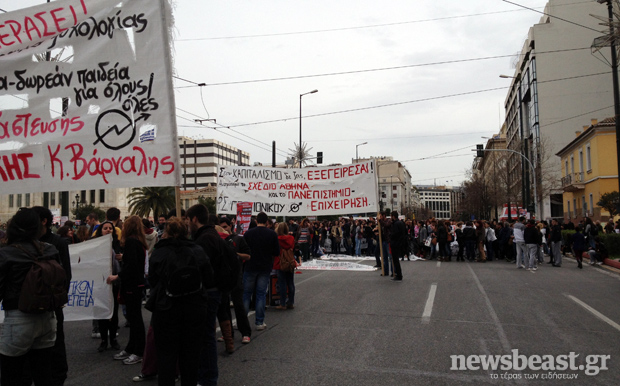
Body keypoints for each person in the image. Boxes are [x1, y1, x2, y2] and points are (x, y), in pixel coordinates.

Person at [147, 217, 214, 386]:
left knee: (166, 358)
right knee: (191, 358)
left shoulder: (160, 252)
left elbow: (153, 280)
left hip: (166, 308)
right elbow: (209, 278)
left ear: (169, 233)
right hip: (194, 308)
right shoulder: (197, 250)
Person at [0, 208, 63, 386]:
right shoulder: (49, 249)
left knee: (11, 376)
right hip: (47, 318)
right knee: (43, 374)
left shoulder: (7, 253)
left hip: (19, 318)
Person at [32, 205, 71, 386]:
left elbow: (66, 275)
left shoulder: (59, 243)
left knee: (56, 346)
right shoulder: (28, 243)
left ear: (43, 221)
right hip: (32, 306)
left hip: (53, 305)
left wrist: (59, 299)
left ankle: (57, 378)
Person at [107, 215, 148, 365]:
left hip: (132, 285)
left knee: (135, 318)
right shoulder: (138, 241)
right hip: (137, 284)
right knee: (133, 317)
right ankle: (132, 347)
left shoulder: (131, 242)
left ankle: (138, 351)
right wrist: (124, 258)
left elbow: (131, 267)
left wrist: (117, 276)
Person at [242, 212, 280, 331]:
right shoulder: (272, 234)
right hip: (265, 266)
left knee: (246, 294)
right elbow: (276, 252)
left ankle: (242, 322)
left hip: (250, 266)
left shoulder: (248, 233)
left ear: (256, 220)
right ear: (267, 222)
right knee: (261, 294)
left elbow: (244, 250)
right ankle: (259, 322)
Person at [218, 217, 252, 345]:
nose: (224, 230)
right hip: (222, 278)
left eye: (225, 227)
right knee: (224, 306)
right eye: (221, 228)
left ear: (230, 226)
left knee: (238, 305)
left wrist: (235, 254)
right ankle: (228, 333)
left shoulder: (239, 239)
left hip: (236, 277)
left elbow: (248, 256)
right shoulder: (218, 240)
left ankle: (245, 332)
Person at [94, 221, 122, 353]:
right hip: (100, 282)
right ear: (101, 231)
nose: (108, 230)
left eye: (110, 228)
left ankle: (113, 339)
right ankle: (104, 340)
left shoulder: (117, 244)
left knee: (114, 312)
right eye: (105, 228)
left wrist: (121, 258)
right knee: (102, 312)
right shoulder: (95, 244)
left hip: (114, 281)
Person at [275, 222, 296, 310]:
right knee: (290, 283)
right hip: (290, 261)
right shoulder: (291, 238)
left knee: (282, 283)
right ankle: (290, 302)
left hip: (280, 262)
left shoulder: (277, 239)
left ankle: (282, 303)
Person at [389, 211, 406, 281]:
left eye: (391, 216)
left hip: (395, 243)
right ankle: (399, 274)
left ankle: (398, 275)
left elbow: (395, 234)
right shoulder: (401, 223)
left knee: (395, 260)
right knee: (396, 260)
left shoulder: (396, 224)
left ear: (393, 216)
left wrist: (391, 236)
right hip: (399, 243)